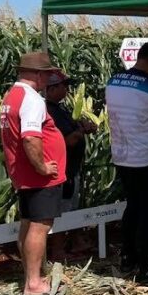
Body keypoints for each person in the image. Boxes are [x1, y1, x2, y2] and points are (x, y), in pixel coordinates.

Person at [105, 40, 148, 283]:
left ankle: (128, 258)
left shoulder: (113, 81)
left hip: (122, 157)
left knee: (132, 208)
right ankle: (146, 268)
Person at [0, 52, 66, 295]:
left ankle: (30, 276)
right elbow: (30, 138)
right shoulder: (32, 99)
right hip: (38, 176)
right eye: (48, 74)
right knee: (40, 227)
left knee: (28, 225)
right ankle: (34, 284)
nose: (49, 78)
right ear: (38, 74)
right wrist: (43, 167)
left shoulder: (12, 96)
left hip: (24, 174)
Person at [45, 71, 98, 254]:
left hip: (72, 168)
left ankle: (76, 242)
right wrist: (80, 132)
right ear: (51, 89)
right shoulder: (50, 112)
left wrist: (81, 126)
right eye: (63, 86)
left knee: (72, 207)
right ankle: (58, 251)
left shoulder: (59, 108)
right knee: (63, 209)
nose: (67, 90)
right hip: (64, 170)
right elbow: (66, 141)